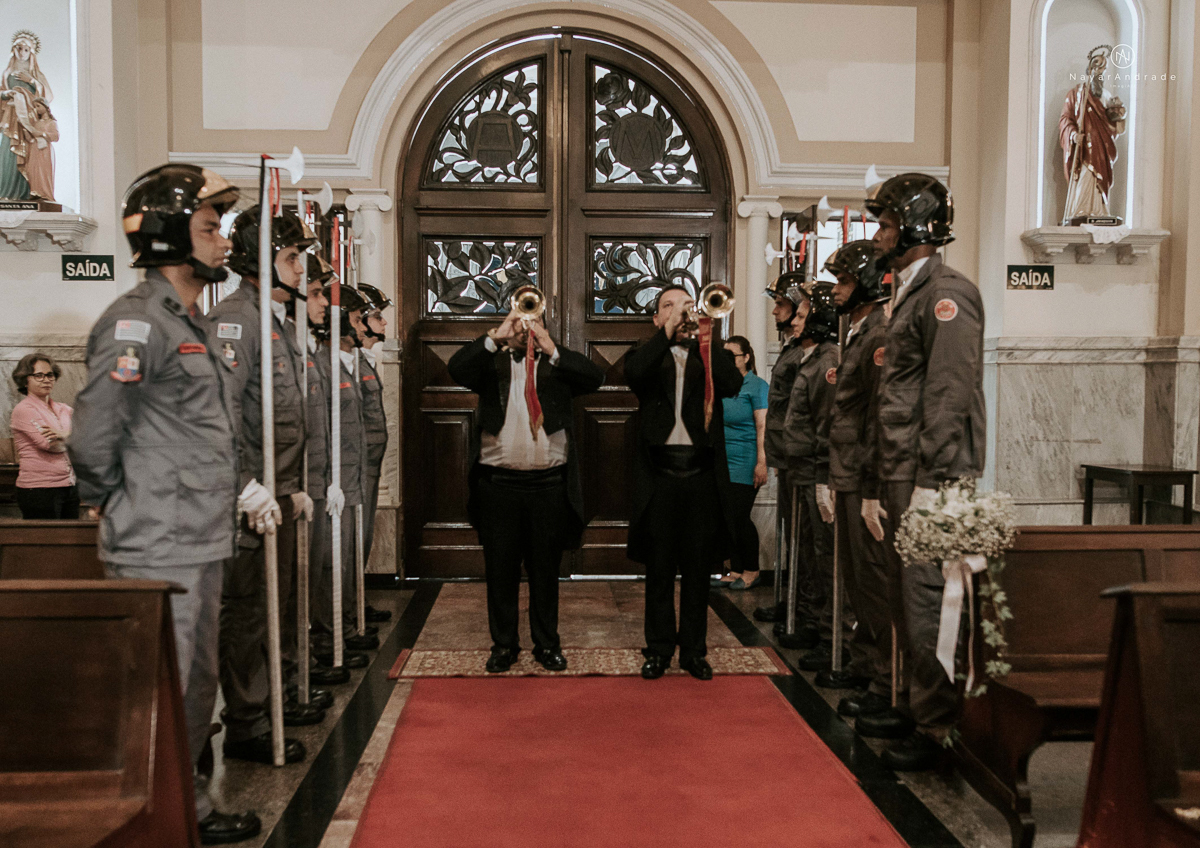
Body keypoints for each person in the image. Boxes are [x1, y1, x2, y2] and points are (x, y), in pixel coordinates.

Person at [68, 163, 261, 844]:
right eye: (209, 229)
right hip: (157, 540)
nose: (222, 243)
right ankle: (158, 821)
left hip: (201, 536)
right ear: (169, 236)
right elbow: (94, 432)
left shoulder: (191, 321)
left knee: (193, 691)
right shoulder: (137, 323)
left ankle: (188, 813)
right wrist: (102, 500)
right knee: (164, 695)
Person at [855, 172, 986, 771]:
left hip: (930, 477)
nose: (878, 234)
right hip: (902, 472)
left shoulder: (947, 293)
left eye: (885, 223)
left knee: (931, 603)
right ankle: (912, 705)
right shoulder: (904, 291)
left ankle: (938, 728)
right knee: (906, 601)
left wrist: (931, 482)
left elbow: (949, 391)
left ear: (915, 226)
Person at [208, 206, 326, 768]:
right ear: (259, 261)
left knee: (271, 608)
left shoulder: (275, 320)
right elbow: (223, 416)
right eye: (291, 257)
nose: (301, 269)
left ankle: (268, 704)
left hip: (275, 491)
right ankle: (247, 724)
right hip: (249, 496)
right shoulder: (236, 322)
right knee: (248, 611)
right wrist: (245, 487)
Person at [447, 307, 604, 673]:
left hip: (547, 487)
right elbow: (456, 368)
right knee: (500, 571)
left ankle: (547, 644)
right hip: (498, 487)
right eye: (519, 322)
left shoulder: (558, 367)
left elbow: (595, 377)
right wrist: (496, 335)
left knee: (545, 572)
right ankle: (504, 645)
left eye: (532, 322)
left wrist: (551, 348)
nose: (525, 329)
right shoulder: (490, 366)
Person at [625, 284, 742, 681]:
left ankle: (694, 651)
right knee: (659, 570)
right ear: (656, 317)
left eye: (686, 306)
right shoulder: (647, 354)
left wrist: (709, 336)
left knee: (697, 570)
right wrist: (667, 333)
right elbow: (634, 374)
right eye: (668, 307)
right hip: (660, 476)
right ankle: (658, 649)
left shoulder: (708, 354)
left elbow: (732, 385)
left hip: (700, 477)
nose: (679, 312)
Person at [822, 241, 894, 701]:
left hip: (863, 474)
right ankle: (865, 663)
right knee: (855, 577)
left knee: (872, 578)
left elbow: (877, 415)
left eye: (844, 281)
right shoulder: (857, 330)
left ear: (867, 282)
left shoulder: (878, 337)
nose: (835, 290)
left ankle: (884, 676)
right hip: (846, 469)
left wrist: (871, 487)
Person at [310, 283, 379, 667]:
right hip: (333, 476)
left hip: (352, 473)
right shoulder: (323, 362)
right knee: (329, 564)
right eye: (356, 318)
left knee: (346, 558)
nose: (364, 326)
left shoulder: (348, 363)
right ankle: (329, 638)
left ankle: (345, 627)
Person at [779, 283, 840, 662]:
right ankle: (815, 623)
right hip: (800, 467)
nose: (794, 322)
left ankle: (831, 635)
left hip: (816, 470)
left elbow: (827, 424)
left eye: (801, 315)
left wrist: (822, 478)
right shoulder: (808, 357)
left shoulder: (827, 361)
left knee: (824, 555)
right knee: (808, 551)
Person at [754, 273, 809, 622]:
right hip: (786, 455)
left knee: (806, 540)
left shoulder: (808, 349)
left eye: (781, 305)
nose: (775, 312)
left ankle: (805, 608)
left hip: (800, 455)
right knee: (794, 535)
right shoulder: (792, 346)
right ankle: (795, 603)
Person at [711, 335, 768, 589]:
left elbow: (762, 426)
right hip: (721, 459)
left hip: (746, 459)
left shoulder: (756, 386)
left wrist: (762, 462)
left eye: (732, 356)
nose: (728, 362)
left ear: (746, 358)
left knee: (739, 517)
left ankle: (752, 570)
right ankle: (735, 568)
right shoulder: (721, 385)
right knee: (725, 516)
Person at [353, 283, 393, 624]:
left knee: (362, 536)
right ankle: (349, 607)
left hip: (368, 463)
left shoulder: (364, 360)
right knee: (353, 537)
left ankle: (355, 600)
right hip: (355, 464)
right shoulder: (349, 363)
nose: (383, 323)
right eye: (377, 316)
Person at [9, 352, 78, 518]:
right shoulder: (24, 409)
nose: (46, 379)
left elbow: (91, 435)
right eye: (39, 375)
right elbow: (50, 445)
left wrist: (63, 434)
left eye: (50, 375)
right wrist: (75, 437)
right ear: (25, 379)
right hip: (39, 490)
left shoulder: (64, 409)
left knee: (72, 543)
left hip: (70, 486)